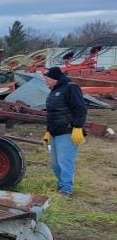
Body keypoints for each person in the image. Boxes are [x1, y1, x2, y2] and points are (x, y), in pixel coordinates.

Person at [41, 66, 86, 197]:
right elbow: (52, 113)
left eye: (47, 79)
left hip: (67, 131)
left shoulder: (71, 87)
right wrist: (48, 131)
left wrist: (77, 127)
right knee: (55, 164)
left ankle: (66, 189)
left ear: (55, 78)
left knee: (65, 161)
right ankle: (61, 185)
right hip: (55, 132)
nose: (45, 82)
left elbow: (80, 109)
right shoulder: (54, 90)